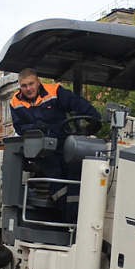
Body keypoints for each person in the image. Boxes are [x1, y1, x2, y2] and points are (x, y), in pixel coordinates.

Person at [9, 68, 101, 220]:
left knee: (74, 169)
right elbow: (19, 127)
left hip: (63, 140)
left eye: (31, 84)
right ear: (20, 86)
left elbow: (76, 103)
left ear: (38, 82)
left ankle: (78, 218)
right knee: (55, 174)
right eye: (24, 85)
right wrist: (33, 128)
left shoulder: (54, 91)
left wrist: (92, 116)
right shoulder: (15, 102)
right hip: (40, 147)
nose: (28, 88)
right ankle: (67, 218)